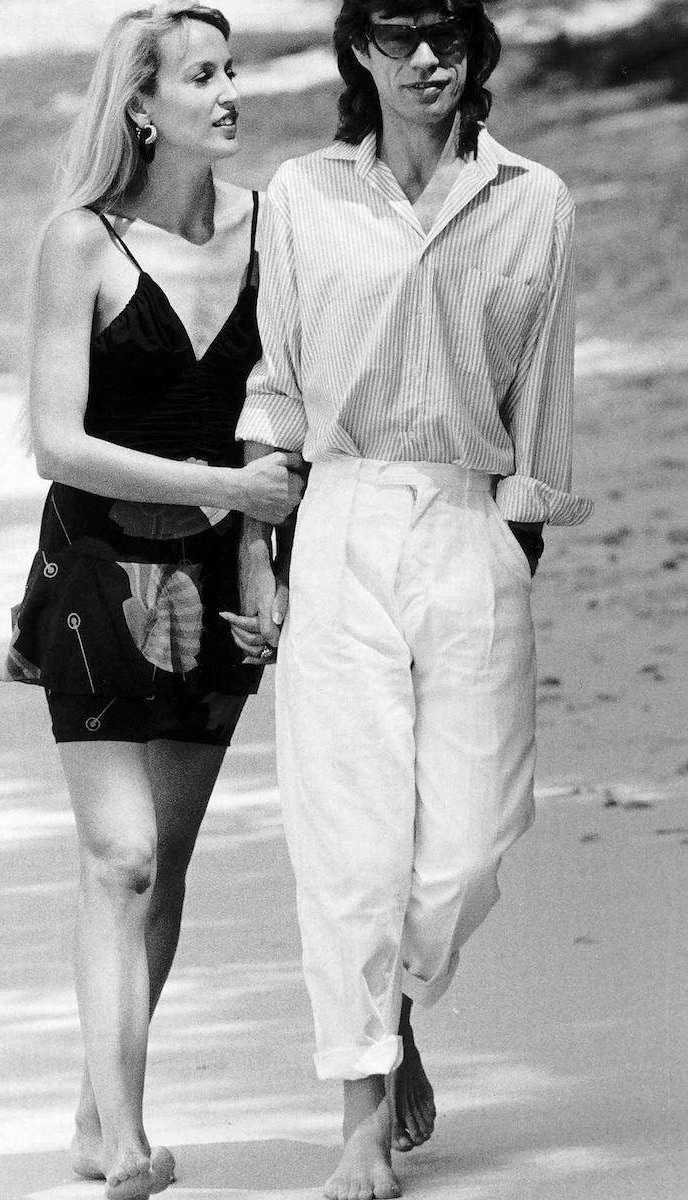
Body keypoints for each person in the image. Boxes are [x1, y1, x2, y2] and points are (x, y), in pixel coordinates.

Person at [226, 2, 592, 1198]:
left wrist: (510, 544)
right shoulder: (299, 197)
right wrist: (253, 556)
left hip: (474, 519)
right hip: (336, 517)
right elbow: (274, 388)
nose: (425, 58)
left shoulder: (534, 198)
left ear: (475, 49)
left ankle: (391, 1004)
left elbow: (542, 397)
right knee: (349, 842)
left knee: (475, 842)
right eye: (398, 36)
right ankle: (360, 1115)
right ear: (360, 55)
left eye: (445, 33)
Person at [4, 6, 303, 1199]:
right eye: (201, 75)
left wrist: (256, 557)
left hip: (210, 587)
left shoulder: (272, 230)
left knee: (164, 866)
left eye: (231, 70)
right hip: (93, 571)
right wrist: (226, 489)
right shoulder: (79, 241)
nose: (230, 90)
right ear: (142, 105)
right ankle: (126, 1143)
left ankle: (98, 1111)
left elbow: (280, 410)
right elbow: (55, 444)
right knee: (118, 857)